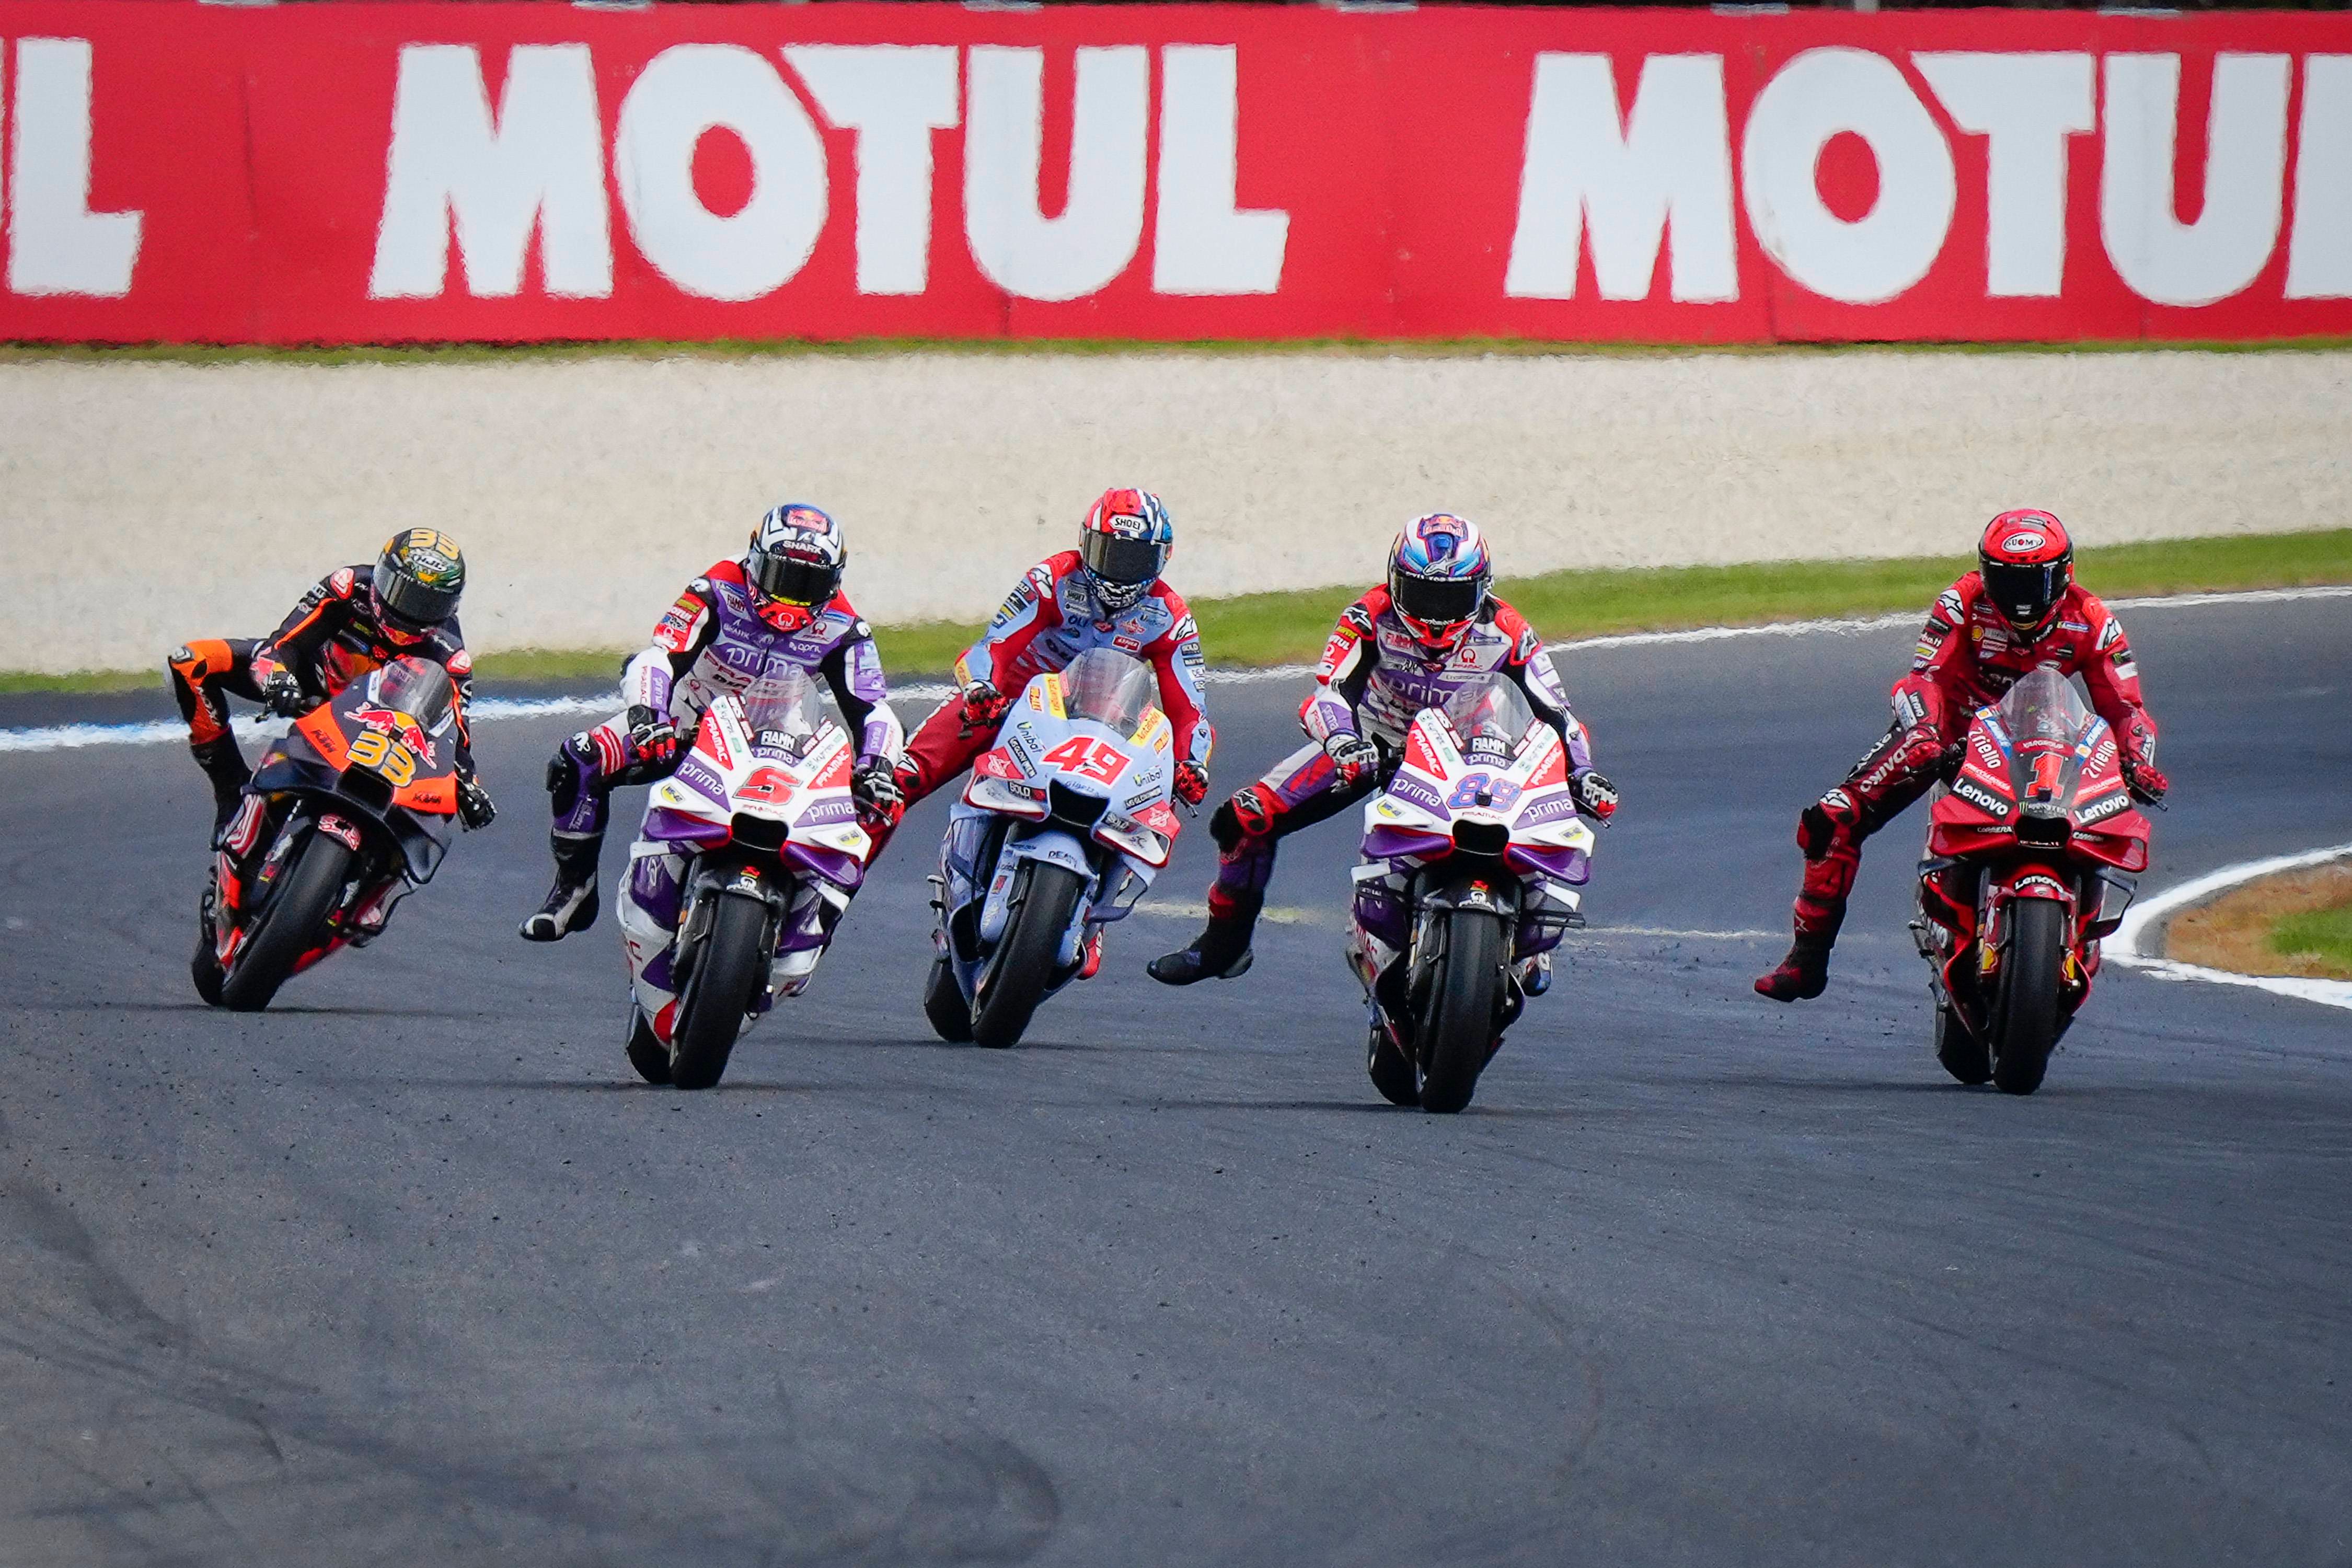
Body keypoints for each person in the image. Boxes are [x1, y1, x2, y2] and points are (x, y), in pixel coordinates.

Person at [1149, 512, 1615, 987]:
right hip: (1378, 742)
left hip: (1474, 751)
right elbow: (1328, 692)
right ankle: (1222, 948)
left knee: (1530, 820)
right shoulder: (1367, 616)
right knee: (1243, 819)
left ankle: (1527, 950)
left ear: (1482, 591)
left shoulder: (1510, 631)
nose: (1436, 615)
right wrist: (1345, 742)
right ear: (1395, 582)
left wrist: (1582, 773)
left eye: (1452, 598)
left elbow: (1557, 713)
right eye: (1422, 595)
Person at [1754, 509, 2169, 1002]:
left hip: (2052, 747)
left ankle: (2072, 937)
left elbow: (2126, 707)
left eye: (2032, 582)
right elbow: (1923, 679)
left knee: (2101, 821)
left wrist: (2138, 760)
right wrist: (1925, 733)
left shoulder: (2094, 620)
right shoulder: (1961, 603)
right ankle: (1807, 960)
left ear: (2063, 575)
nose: (2018, 598)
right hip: (1954, 738)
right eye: (2005, 580)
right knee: (1831, 818)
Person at [518, 503, 904, 941]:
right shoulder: (715, 589)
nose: (793, 595)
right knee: (579, 760)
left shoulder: (846, 627)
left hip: (781, 740)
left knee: (877, 808)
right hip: (687, 723)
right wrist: (648, 718)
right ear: (755, 561)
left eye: (810, 583)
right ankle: (574, 890)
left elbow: (875, 709)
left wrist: (877, 765)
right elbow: (658, 657)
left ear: (834, 581)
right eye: (783, 576)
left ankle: (812, 925)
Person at [867, 484, 1215, 859]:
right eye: (1108, 553)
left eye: (1134, 560)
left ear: (1161, 560)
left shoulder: (1171, 618)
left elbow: (1191, 713)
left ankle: (1096, 906)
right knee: (898, 782)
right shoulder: (1054, 579)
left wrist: (1191, 764)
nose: (1119, 571)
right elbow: (991, 647)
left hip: (1105, 729)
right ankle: (829, 897)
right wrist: (982, 689)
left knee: (1153, 807)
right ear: (1086, 543)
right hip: (1015, 703)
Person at [168, 528, 495, 837]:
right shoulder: (349, 586)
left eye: (427, 604)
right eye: (402, 592)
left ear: (450, 606)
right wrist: (278, 677)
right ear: (382, 575)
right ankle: (229, 789)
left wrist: (470, 786)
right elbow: (283, 645)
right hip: (311, 687)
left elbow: (455, 737)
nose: (409, 610)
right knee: (192, 661)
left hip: (372, 729)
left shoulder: (451, 654)